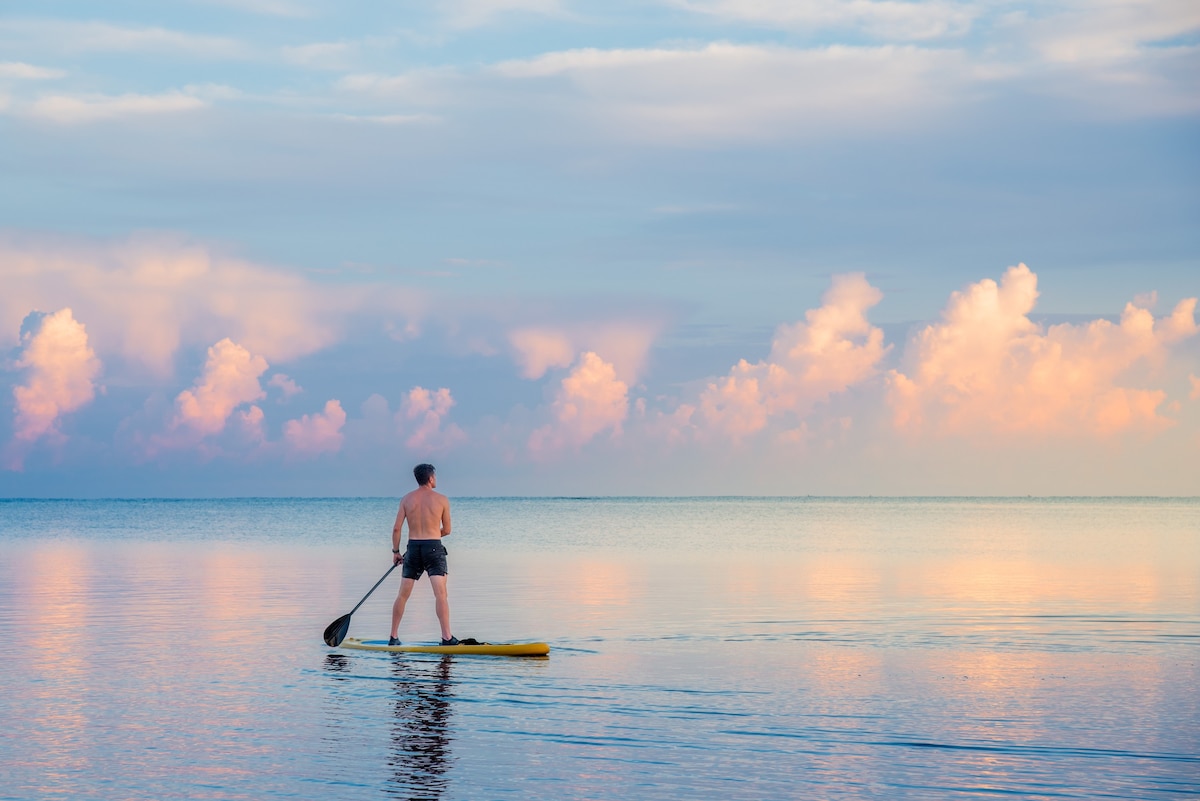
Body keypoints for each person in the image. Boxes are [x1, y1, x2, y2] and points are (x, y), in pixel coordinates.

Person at [389, 463, 458, 646]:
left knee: (402, 595)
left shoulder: (406, 499)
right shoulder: (442, 499)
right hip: (433, 548)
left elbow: (397, 529)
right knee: (441, 594)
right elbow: (448, 530)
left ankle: (393, 636)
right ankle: (446, 637)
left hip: (412, 548)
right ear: (430, 478)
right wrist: (433, 533)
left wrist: (396, 552)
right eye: (435, 476)